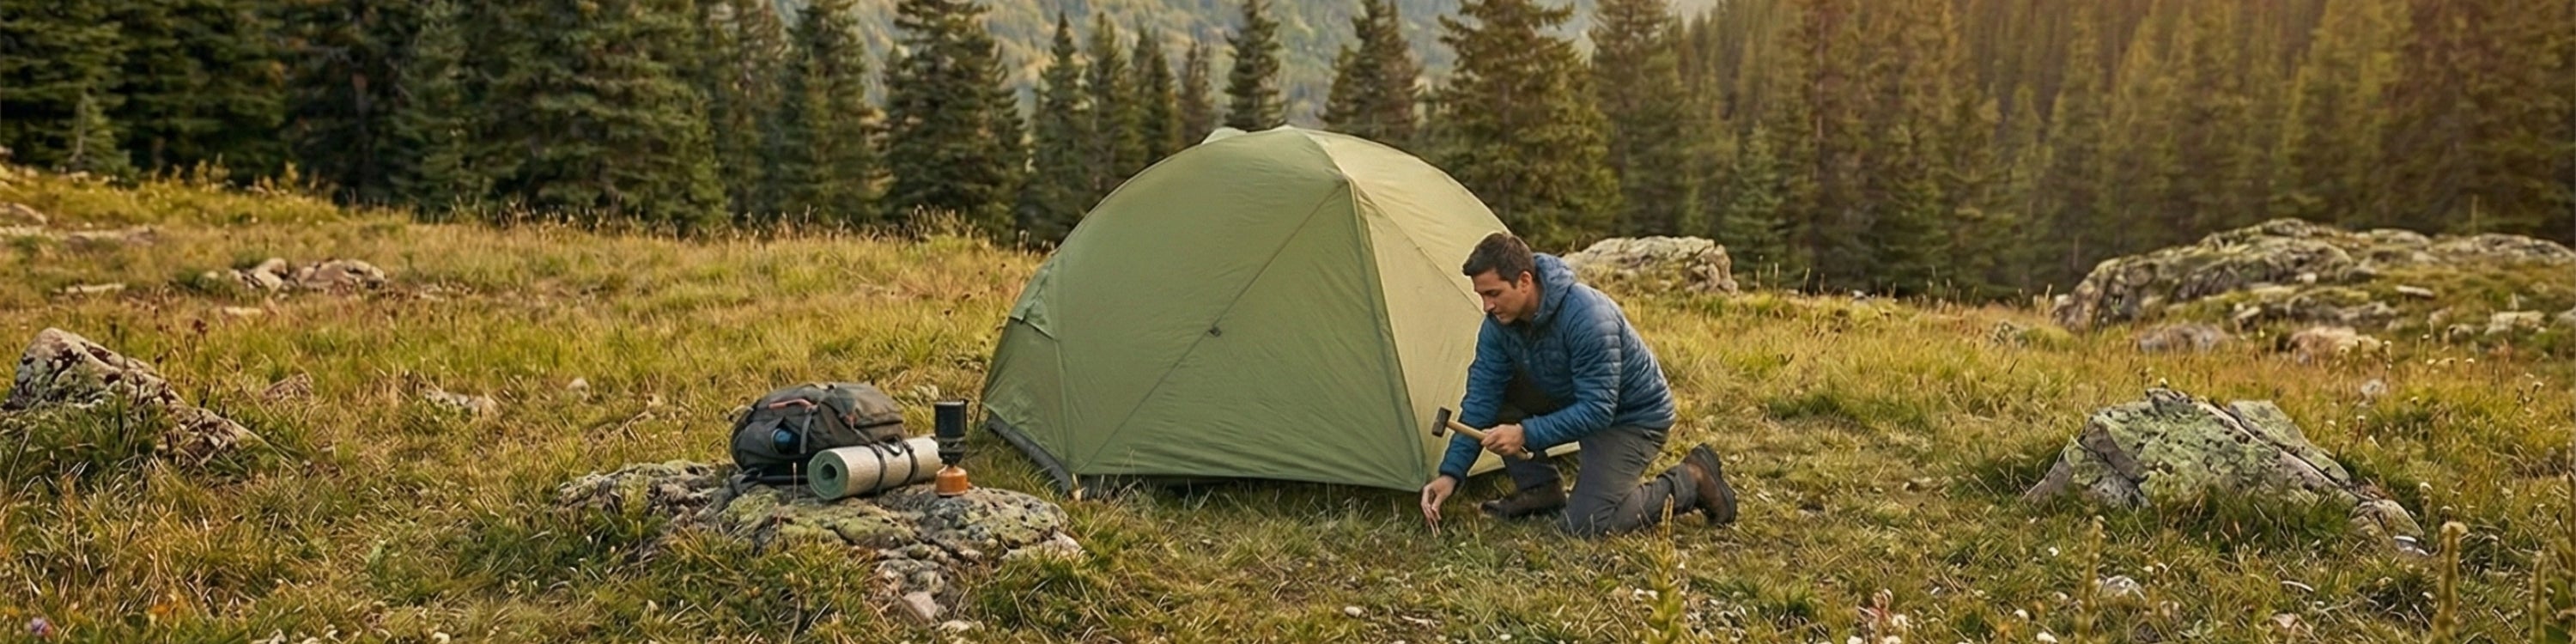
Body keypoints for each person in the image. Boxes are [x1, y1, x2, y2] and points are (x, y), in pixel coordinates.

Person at [1419, 232, 1738, 537]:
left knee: (1588, 524)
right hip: (1574, 399)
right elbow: (1481, 400)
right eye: (1481, 295)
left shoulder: (1588, 316)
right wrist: (1450, 475)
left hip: (1630, 417)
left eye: (1493, 294)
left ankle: (1693, 479)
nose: (1486, 306)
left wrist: (1525, 434)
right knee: (1498, 397)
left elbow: (1598, 410)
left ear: (1525, 281)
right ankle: (1540, 489)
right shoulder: (1497, 327)